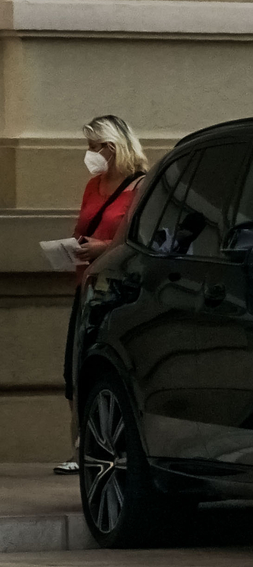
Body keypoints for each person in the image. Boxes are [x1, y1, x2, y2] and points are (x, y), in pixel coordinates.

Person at [56, 116, 150, 473]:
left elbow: (137, 241)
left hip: (117, 289)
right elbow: (82, 228)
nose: (90, 154)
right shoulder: (93, 186)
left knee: (108, 366)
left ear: (113, 147)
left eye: (94, 147)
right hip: (86, 288)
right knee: (75, 369)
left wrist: (103, 248)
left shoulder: (140, 186)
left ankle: (105, 448)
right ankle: (81, 447)